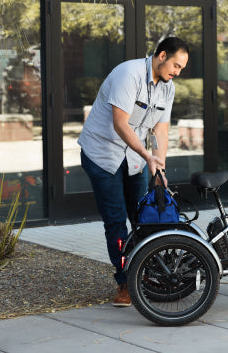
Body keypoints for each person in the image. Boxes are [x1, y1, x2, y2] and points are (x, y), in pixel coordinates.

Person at [78, 37, 189, 306]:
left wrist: (159, 165)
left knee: (143, 218)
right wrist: (147, 155)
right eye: (175, 65)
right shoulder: (128, 74)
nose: (177, 72)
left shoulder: (167, 87)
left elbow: (161, 129)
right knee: (116, 221)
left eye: (181, 69)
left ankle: (146, 274)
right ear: (161, 55)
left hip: (136, 158)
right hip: (102, 154)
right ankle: (124, 283)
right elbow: (120, 123)